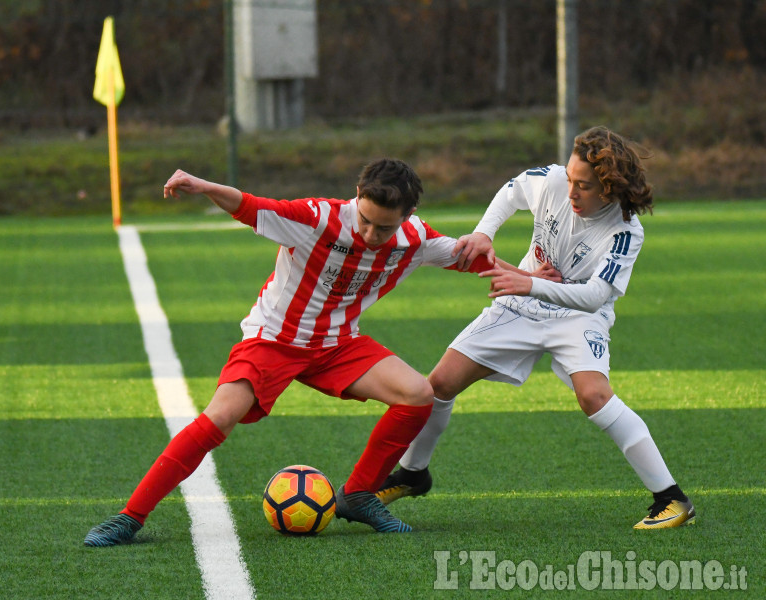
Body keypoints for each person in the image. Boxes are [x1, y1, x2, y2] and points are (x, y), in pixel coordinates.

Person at [84, 157, 539, 545]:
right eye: (364, 219)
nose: (371, 232)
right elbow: (251, 206)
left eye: (385, 226)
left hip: (338, 345)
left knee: (418, 394)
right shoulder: (317, 217)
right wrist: (201, 185)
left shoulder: (413, 238)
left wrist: (537, 280)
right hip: (273, 340)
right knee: (220, 416)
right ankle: (130, 517)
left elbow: (469, 258)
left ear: (409, 214)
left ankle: (359, 496)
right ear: (355, 194)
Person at [375, 127, 696, 530]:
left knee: (594, 396)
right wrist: (483, 233)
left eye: (585, 186)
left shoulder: (626, 231)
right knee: (439, 385)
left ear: (611, 189)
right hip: (521, 303)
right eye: (571, 179)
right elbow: (511, 192)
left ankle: (671, 499)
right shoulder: (554, 180)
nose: (572, 191)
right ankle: (412, 474)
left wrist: (531, 283)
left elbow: (596, 295)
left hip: (578, 317)